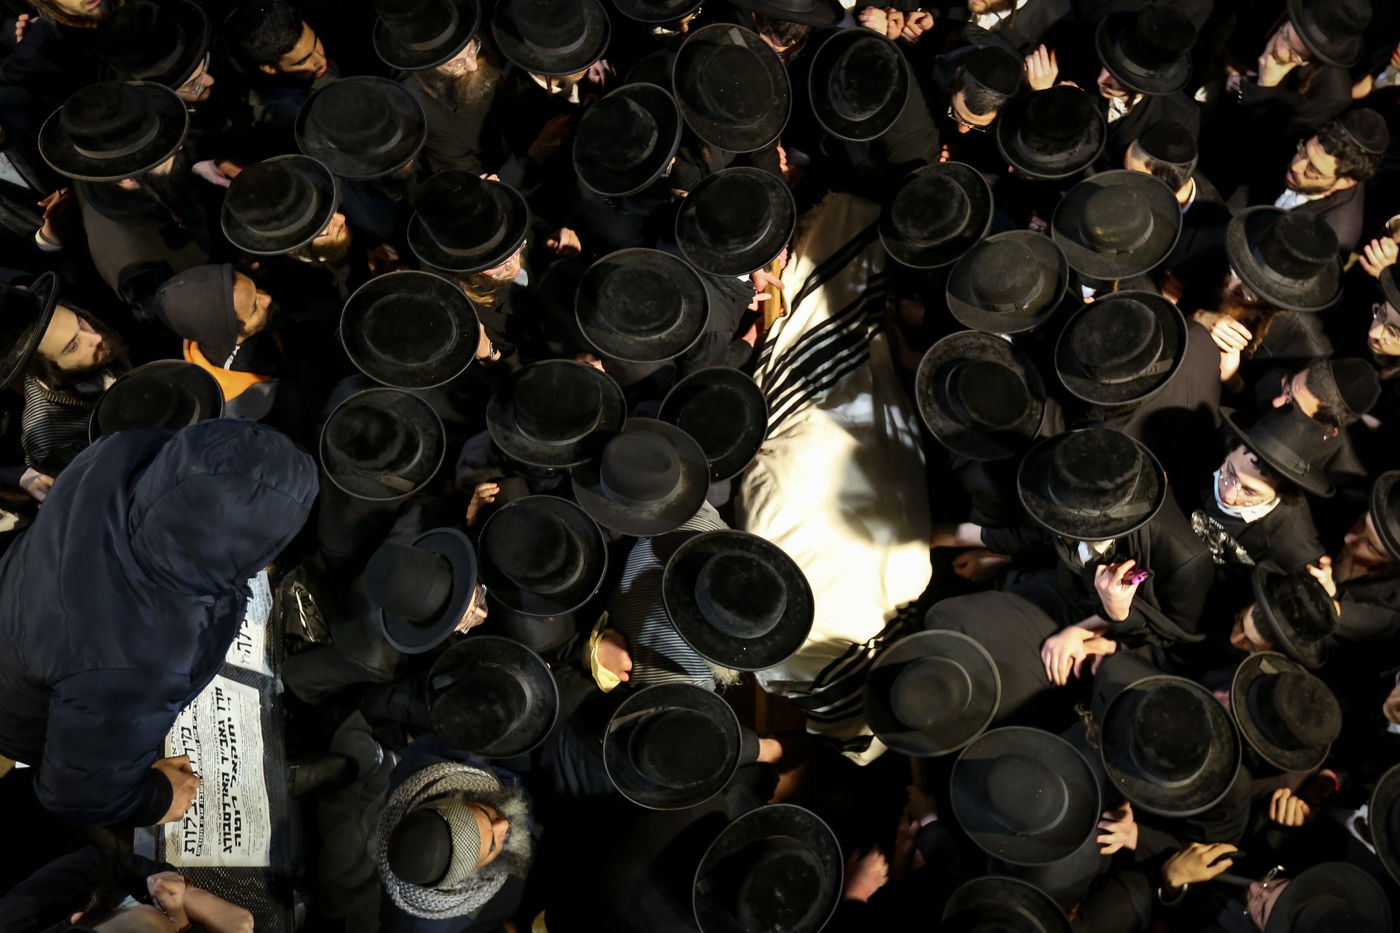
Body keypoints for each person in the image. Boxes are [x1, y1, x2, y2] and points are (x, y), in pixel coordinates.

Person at [0, 419, 317, 825]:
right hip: (18, 711)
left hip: (18, 596)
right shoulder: (142, 659)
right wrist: (159, 796)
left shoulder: (119, 448)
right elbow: (78, 796)